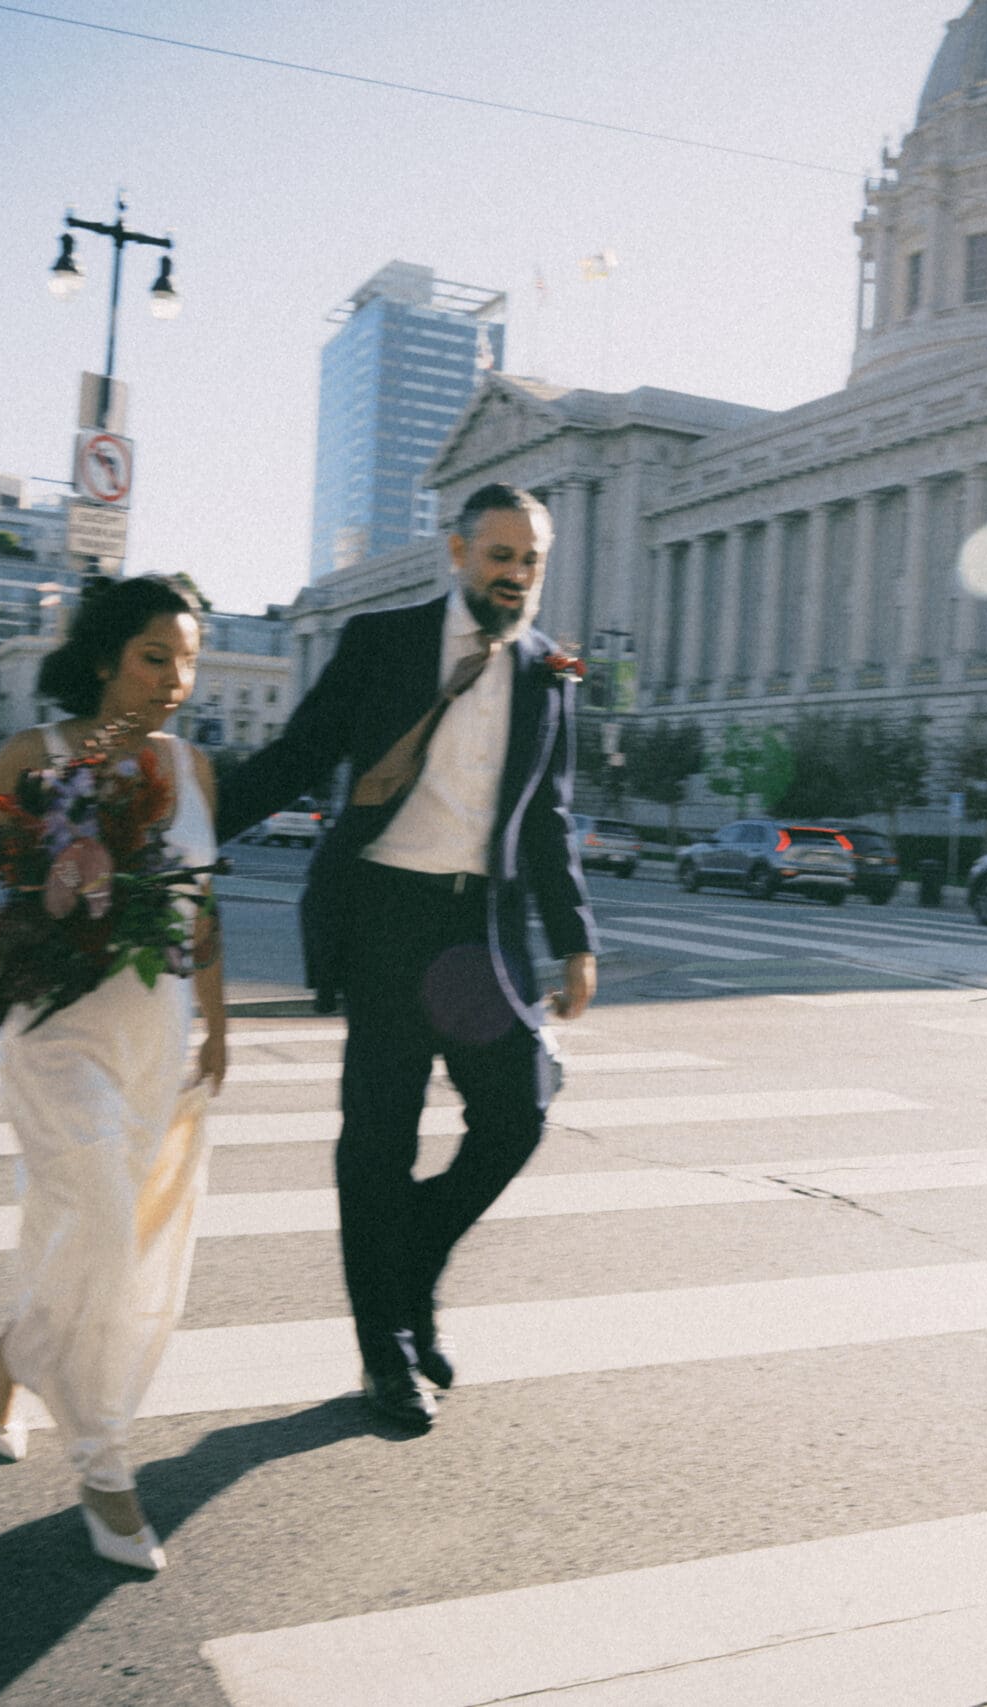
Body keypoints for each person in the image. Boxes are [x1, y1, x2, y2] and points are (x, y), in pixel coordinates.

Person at [219, 482, 597, 1433]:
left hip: (481, 936)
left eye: (532, 561)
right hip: (384, 917)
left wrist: (576, 937)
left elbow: (547, 818)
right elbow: (298, 757)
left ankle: (412, 1261)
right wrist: (185, 827)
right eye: (500, 555)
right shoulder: (382, 643)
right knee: (379, 1142)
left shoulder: (551, 669)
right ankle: (384, 1348)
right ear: (459, 552)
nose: (516, 575)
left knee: (517, 1114)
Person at [0, 575, 226, 1571]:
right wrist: (19, 953)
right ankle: (104, 1468)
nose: (175, 681)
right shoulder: (32, 758)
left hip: (157, 1038)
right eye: (157, 658)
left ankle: (10, 1358)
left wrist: (218, 1037)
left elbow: (201, 913)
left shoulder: (194, 770)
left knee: (94, 1236)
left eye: (189, 661)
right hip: (55, 1038)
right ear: (105, 657)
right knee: (105, 1220)